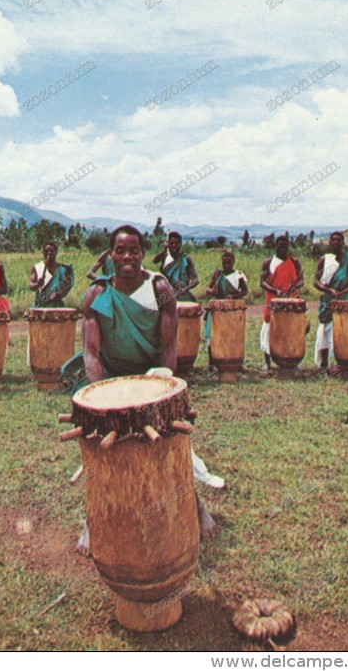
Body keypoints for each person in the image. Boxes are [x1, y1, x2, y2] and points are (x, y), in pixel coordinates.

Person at [62, 225, 221, 555]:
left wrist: (157, 388)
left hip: (153, 373)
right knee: (101, 450)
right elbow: (91, 353)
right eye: (120, 251)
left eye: (134, 250)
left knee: (170, 446)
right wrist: (103, 398)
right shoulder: (96, 294)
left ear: (142, 253)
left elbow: (168, 346)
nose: (127, 257)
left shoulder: (160, 287)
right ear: (111, 255)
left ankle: (196, 505)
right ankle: (94, 520)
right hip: (110, 378)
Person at [314, 231, 348, 369]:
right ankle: (324, 364)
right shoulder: (325, 260)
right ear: (330, 243)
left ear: (343, 243)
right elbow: (315, 282)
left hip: (346, 300)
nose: (336, 242)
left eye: (338, 240)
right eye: (333, 240)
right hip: (329, 302)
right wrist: (328, 290)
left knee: (345, 332)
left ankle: (343, 363)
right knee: (325, 331)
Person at [259, 236, 304, 371]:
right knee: (268, 329)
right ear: (275, 246)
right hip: (273, 300)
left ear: (288, 246)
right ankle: (267, 363)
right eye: (279, 245)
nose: (281, 247)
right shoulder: (268, 262)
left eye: (284, 245)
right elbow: (262, 282)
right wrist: (275, 291)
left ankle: (293, 363)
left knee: (291, 331)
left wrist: (293, 288)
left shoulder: (294, 262)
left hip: (291, 301)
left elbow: (301, 280)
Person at [205, 251, 248, 358]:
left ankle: (231, 359)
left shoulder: (238, 276)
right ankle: (212, 361)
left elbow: (245, 291)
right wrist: (211, 291)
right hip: (217, 308)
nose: (227, 265)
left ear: (233, 262)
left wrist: (233, 296)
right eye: (225, 263)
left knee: (230, 335)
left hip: (231, 310)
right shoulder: (218, 274)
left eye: (229, 263)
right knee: (212, 335)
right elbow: (208, 289)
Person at [153, 231, 199, 302]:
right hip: (166, 293)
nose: (173, 245)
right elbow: (154, 261)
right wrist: (165, 250)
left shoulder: (186, 259)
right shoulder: (165, 257)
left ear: (180, 244)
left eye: (176, 243)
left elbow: (195, 280)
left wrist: (185, 289)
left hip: (181, 294)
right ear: (168, 245)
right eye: (171, 244)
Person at [29, 242, 74, 308]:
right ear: (43, 253)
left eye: (52, 251)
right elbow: (31, 286)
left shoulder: (63, 269)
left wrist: (59, 295)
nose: (49, 253)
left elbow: (67, 288)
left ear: (56, 252)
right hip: (39, 306)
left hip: (57, 305)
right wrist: (38, 284)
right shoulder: (36, 267)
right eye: (46, 251)